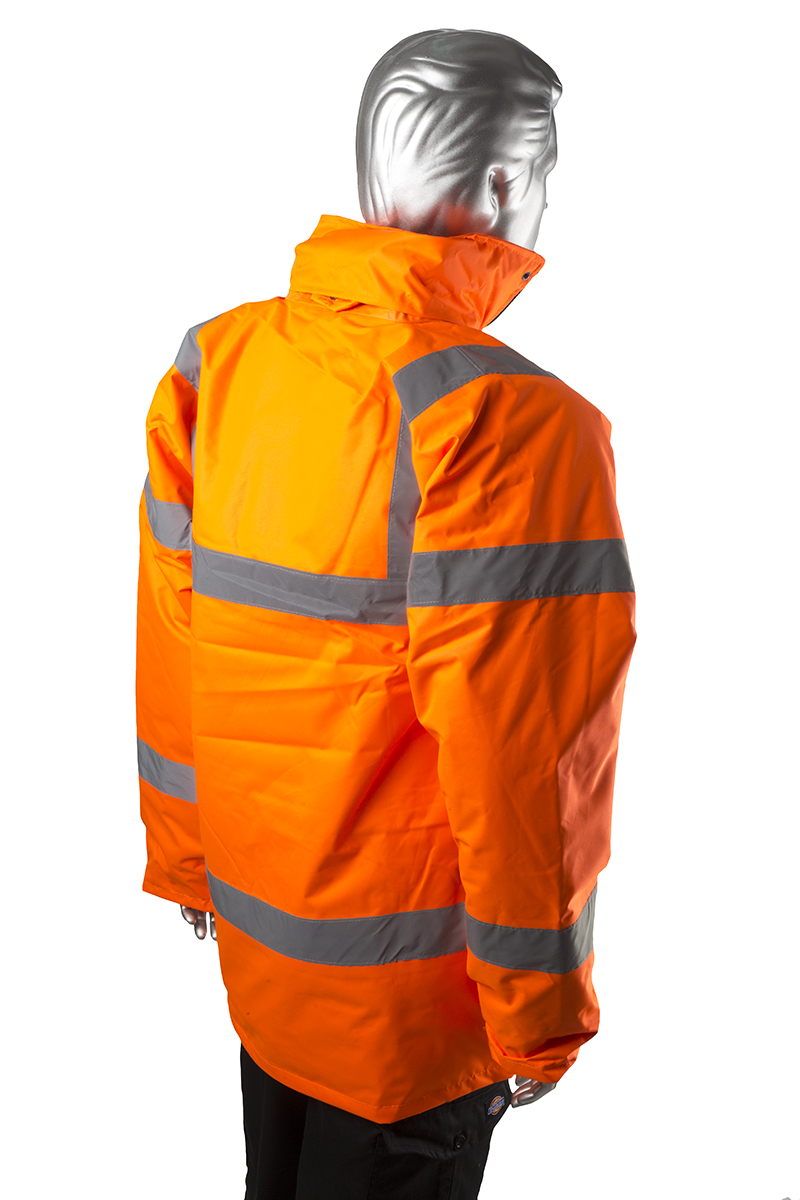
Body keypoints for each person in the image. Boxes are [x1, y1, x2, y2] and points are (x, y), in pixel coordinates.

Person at [136, 28, 636, 1199]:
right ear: (505, 185)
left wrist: (190, 863)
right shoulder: (507, 423)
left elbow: (175, 636)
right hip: (416, 1024)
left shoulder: (219, 364)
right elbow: (527, 762)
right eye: (545, 177)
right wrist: (537, 1015)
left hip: (266, 965)